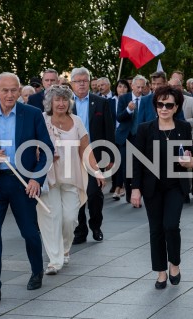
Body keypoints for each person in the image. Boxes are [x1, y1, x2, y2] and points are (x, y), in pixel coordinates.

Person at [0, 72, 54, 306]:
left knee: (29, 232)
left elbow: (46, 147)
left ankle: (37, 270)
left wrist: (37, 178)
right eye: (4, 90)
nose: (9, 95)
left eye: (13, 90)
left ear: (19, 91)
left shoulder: (33, 114)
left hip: (23, 183)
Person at [131, 86, 193, 289]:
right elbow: (137, 161)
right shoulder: (144, 129)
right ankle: (160, 272)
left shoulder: (183, 128)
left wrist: (190, 162)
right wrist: (135, 188)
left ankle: (174, 263)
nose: (164, 108)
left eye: (169, 105)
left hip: (176, 185)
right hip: (152, 187)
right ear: (155, 106)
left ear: (176, 107)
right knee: (156, 229)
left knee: (171, 225)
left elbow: (192, 155)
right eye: (160, 104)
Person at [37, 85, 105, 275]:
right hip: (48, 177)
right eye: (57, 100)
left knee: (69, 218)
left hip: (71, 177)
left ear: (69, 102)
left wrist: (96, 171)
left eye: (64, 100)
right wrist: (44, 154)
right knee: (51, 218)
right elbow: (33, 144)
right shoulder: (42, 119)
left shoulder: (76, 121)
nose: (61, 103)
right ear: (50, 102)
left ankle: (65, 248)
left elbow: (85, 148)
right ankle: (54, 260)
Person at [70, 67, 115, 245]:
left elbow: (109, 130)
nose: (81, 84)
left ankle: (96, 226)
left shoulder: (101, 103)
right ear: (72, 83)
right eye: (77, 81)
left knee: (95, 194)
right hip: (72, 156)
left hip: (95, 155)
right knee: (76, 194)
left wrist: (110, 155)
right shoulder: (65, 103)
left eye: (84, 80)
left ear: (89, 82)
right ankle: (80, 230)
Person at [115, 74, 147, 205]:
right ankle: (129, 194)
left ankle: (139, 192)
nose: (140, 89)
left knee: (140, 165)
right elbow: (119, 118)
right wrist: (128, 109)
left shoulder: (147, 99)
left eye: (142, 87)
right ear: (132, 86)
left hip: (141, 137)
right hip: (126, 137)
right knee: (126, 167)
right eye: (137, 86)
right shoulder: (124, 98)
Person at [111, 79, 131, 198]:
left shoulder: (130, 100)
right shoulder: (110, 101)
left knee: (124, 161)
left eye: (124, 87)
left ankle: (121, 186)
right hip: (114, 135)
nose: (122, 89)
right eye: (119, 86)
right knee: (117, 161)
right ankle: (118, 185)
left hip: (126, 134)